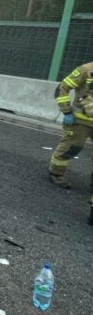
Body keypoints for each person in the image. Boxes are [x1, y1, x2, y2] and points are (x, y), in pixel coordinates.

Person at [49, 62, 93, 224]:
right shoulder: (86, 70)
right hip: (80, 121)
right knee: (72, 148)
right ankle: (56, 173)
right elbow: (62, 88)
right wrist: (67, 111)